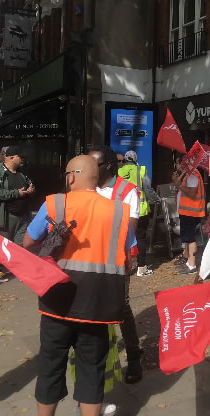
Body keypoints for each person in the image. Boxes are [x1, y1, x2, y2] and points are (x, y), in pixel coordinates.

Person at [23, 155, 135, 416]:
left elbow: (28, 241)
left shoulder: (55, 204)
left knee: (50, 368)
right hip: (99, 306)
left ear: (71, 176)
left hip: (57, 304)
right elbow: (128, 259)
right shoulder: (119, 211)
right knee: (92, 371)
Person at [87, 146, 144, 384]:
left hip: (118, 259)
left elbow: (128, 229)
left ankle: (134, 357)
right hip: (90, 259)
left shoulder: (127, 191)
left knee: (121, 308)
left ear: (107, 166)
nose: (88, 169)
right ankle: (96, 358)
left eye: (93, 164)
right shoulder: (86, 188)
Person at [0, 145, 34, 282]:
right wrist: (16, 193)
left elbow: (30, 183)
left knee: (22, 245)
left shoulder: (21, 172)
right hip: (5, 216)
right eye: (21, 157)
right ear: (12, 157)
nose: (23, 160)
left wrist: (31, 189)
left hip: (23, 215)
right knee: (3, 245)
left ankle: (19, 270)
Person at [118, 150, 160, 276]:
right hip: (140, 210)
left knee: (122, 238)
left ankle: (121, 266)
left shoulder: (118, 171)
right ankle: (141, 268)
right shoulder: (141, 170)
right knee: (141, 238)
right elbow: (148, 189)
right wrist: (156, 199)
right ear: (135, 159)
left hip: (121, 210)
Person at [173, 156, 206, 275]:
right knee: (187, 237)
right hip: (187, 211)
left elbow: (192, 192)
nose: (177, 166)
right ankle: (188, 260)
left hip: (191, 211)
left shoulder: (193, 174)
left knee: (191, 238)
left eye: (178, 163)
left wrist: (179, 185)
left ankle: (192, 264)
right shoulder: (188, 174)